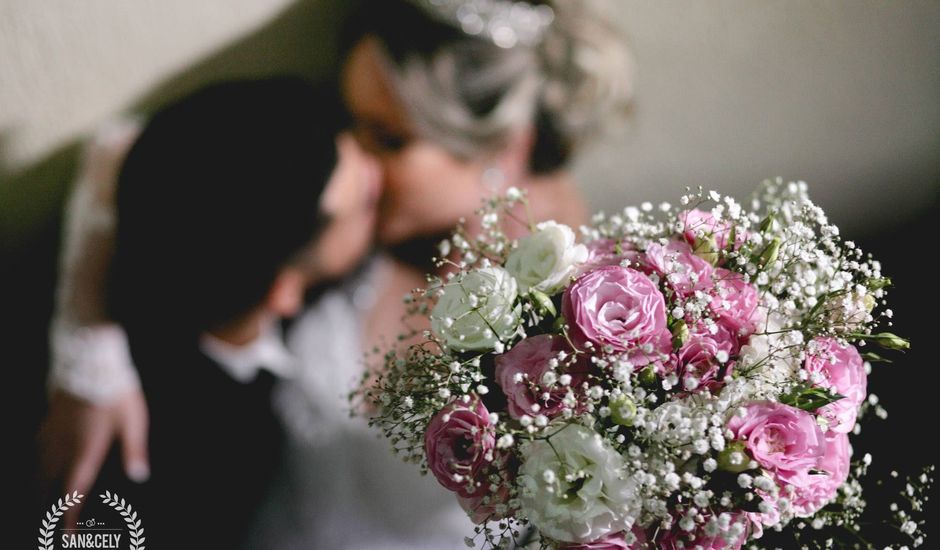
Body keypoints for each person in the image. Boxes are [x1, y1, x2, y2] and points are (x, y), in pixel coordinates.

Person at [248, 1, 634, 547]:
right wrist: (90, 357)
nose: (350, 158)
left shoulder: (586, 316)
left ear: (507, 147)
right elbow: (126, 147)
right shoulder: (351, 222)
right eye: (348, 122)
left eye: (388, 138)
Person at [38, 77, 380, 548]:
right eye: (365, 204)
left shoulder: (171, 186)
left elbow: (119, 142)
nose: (376, 171)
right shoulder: (199, 457)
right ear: (283, 289)